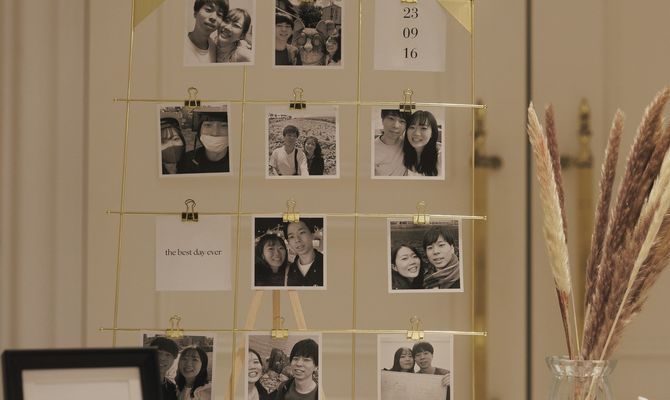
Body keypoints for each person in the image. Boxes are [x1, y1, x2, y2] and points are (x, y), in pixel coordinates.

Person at [185, 0, 228, 64]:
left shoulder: (214, 48)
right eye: (208, 10)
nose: (213, 17)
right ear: (195, 13)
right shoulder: (179, 44)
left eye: (219, 14)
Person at [284, 220, 324, 287]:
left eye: (301, 232)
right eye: (291, 236)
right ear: (289, 242)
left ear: (312, 234)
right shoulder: (288, 271)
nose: (297, 240)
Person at [403, 110, 442, 177]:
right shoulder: (402, 151)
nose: (416, 133)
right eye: (412, 127)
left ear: (432, 133)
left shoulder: (441, 156)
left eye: (423, 128)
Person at [374, 110, 408, 176]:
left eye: (402, 121)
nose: (396, 126)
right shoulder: (372, 149)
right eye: (391, 118)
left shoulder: (407, 144)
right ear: (382, 120)